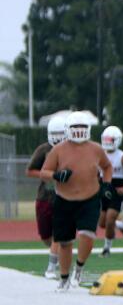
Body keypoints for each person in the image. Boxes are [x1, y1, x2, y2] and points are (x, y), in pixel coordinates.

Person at [39, 111, 114, 290]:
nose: (79, 131)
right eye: (75, 127)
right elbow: (44, 172)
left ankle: (79, 268)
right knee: (64, 242)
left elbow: (107, 166)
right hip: (64, 200)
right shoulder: (58, 149)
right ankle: (64, 278)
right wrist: (57, 175)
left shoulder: (96, 148)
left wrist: (106, 185)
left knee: (87, 235)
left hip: (90, 199)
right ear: (68, 129)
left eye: (82, 127)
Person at [26, 115, 67, 278]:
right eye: (54, 133)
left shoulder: (71, 149)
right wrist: (50, 175)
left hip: (63, 197)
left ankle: (52, 266)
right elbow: (29, 170)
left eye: (60, 133)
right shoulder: (44, 150)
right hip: (45, 197)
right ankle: (58, 253)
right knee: (46, 237)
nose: (57, 137)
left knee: (59, 232)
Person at [98, 126, 123, 256]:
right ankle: (121, 225)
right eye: (106, 139)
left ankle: (107, 248)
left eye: (111, 139)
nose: (108, 142)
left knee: (109, 220)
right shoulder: (99, 155)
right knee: (102, 223)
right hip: (103, 189)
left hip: (117, 191)